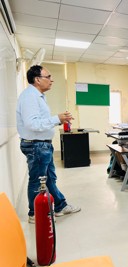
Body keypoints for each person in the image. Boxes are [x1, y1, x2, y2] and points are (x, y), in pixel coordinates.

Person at [16, 65, 81, 224]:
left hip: (42, 145)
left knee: (50, 179)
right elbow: (32, 124)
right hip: (36, 146)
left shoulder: (38, 96)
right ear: (37, 79)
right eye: (48, 77)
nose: (51, 80)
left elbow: (38, 122)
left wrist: (58, 119)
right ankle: (35, 213)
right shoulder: (30, 97)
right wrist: (56, 119)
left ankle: (59, 206)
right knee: (38, 181)